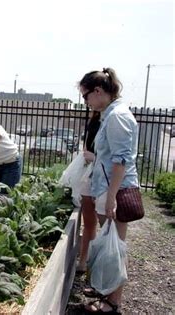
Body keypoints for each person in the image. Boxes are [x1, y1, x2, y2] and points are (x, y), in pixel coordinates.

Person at [80, 68, 139, 314]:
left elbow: (120, 160)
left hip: (116, 190)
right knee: (108, 244)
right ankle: (105, 291)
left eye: (86, 97)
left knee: (115, 246)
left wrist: (112, 196)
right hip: (107, 188)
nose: (86, 102)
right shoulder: (110, 113)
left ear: (98, 91)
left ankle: (113, 302)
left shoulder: (117, 116)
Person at [76, 110, 101, 273]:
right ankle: (84, 261)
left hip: (104, 176)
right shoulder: (93, 120)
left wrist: (95, 157)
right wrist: (88, 155)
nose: (87, 101)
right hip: (90, 173)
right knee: (89, 222)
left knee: (107, 225)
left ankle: (98, 264)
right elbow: (86, 145)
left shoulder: (113, 120)